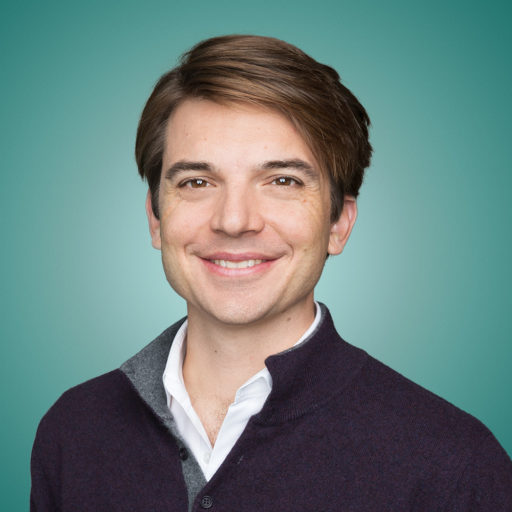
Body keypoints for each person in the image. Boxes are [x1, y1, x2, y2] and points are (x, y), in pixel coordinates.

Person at [31, 35, 512, 511]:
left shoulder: (454, 464)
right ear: (156, 219)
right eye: (197, 182)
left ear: (338, 224)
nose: (234, 220)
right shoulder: (72, 431)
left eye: (282, 180)